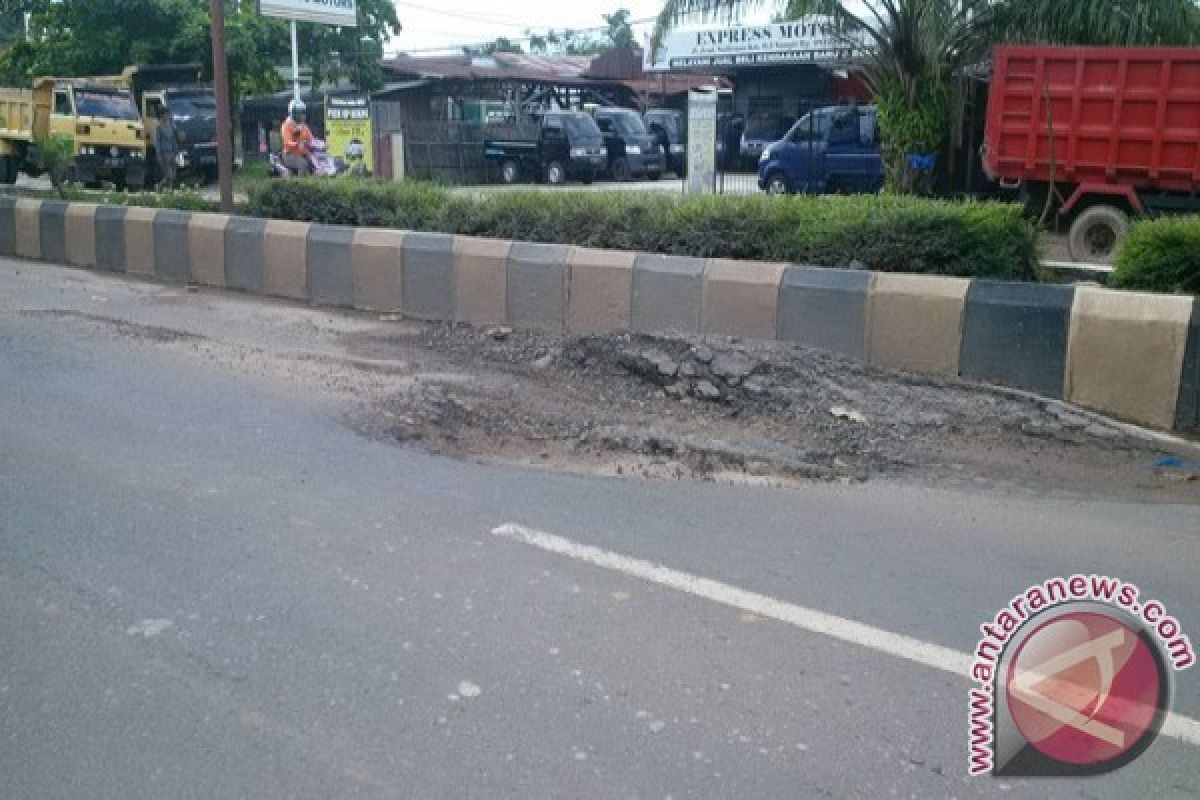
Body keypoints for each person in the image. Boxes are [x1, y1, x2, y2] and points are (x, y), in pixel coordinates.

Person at [281, 100, 314, 177]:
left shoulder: (304, 126)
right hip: (290, 154)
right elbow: (287, 142)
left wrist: (321, 145)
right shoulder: (286, 125)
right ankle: (300, 184)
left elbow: (311, 139)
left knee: (317, 163)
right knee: (303, 164)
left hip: (304, 153)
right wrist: (298, 144)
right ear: (294, 114)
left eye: (303, 112)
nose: (303, 115)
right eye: (301, 113)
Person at [154, 106, 178, 191]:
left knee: (173, 175)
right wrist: (159, 155)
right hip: (164, 153)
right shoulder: (158, 127)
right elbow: (157, 142)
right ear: (161, 115)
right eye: (166, 114)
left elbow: (174, 138)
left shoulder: (170, 125)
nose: (167, 115)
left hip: (172, 151)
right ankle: (167, 189)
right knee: (169, 175)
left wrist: (176, 150)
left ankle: (160, 186)